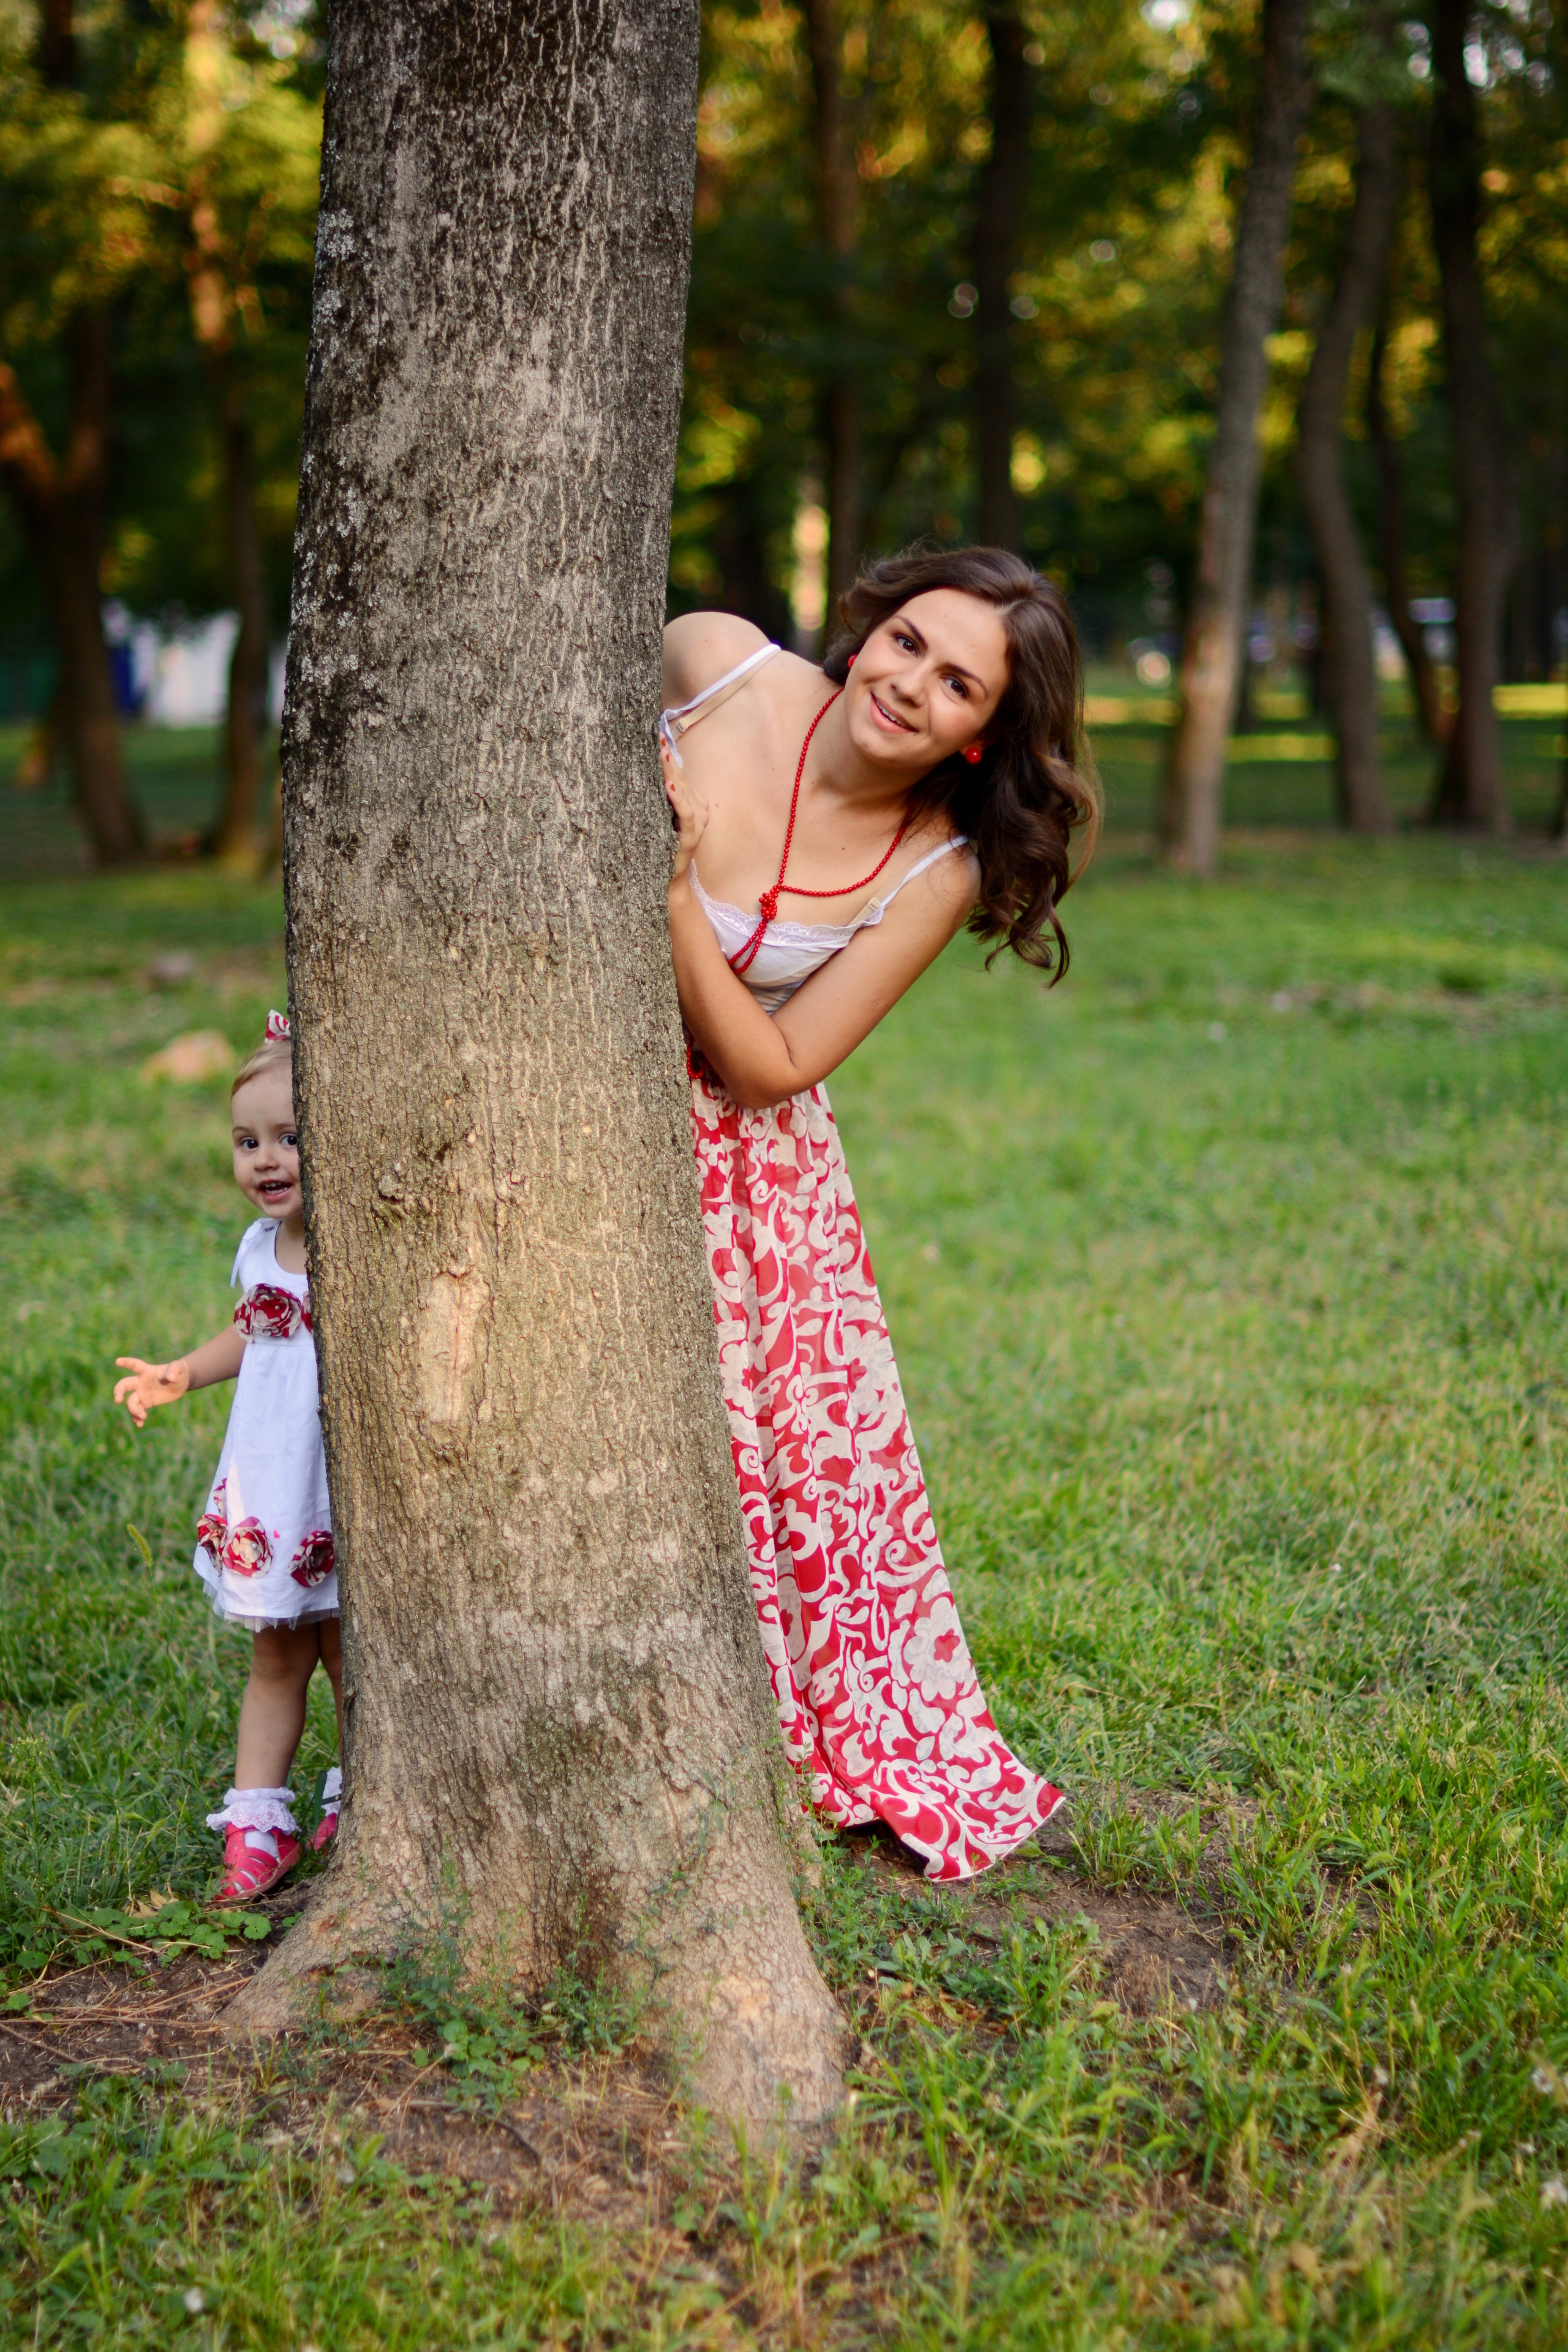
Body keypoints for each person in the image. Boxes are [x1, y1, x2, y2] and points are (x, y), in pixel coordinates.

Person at [661, 545, 1098, 1883]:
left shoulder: (936, 867)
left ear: (983, 735)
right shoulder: (714, 660)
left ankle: (766, 1738)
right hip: (560, 1096)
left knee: (787, 1469)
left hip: (751, 1170)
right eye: (908, 640)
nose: (909, 683)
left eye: (956, 683)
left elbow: (774, 1065)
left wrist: (665, 883)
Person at [113, 1014, 340, 1902]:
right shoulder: (260, 1250)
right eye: (248, 1142)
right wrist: (184, 1373)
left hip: (338, 1487)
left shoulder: (351, 1245)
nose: (267, 1159)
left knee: (353, 1656)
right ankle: (258, 1824)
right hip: (277, 1485)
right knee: (279, 1655)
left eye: (291, 1137)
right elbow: (254, 1329)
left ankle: (358, 1797)